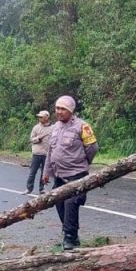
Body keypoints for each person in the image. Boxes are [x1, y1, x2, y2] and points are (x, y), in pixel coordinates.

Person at [41, 95, 98, 250]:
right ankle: (72, 233)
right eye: (57, 108)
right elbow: (51, 152)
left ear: (71, 111)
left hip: (77, 175)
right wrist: (46, 172)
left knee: (71, 203)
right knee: (58, 202)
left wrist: (83, 162)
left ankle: (69, 238)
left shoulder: (82, 127)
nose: (59, 111)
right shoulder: (55, 127)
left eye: (63, 109)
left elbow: (92, 148)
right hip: (59, 175)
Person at [25, 109, 50, 194]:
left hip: (47, 154)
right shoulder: (36, 127)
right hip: (37, 153)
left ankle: (42, 189)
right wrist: (38, 138)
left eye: (41, 117)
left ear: (46, 117)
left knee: (44, 173)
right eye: (39, 117)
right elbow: (31, 139)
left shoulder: (52, 128)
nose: (39, 118)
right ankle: (29, 188)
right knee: (33, 172)